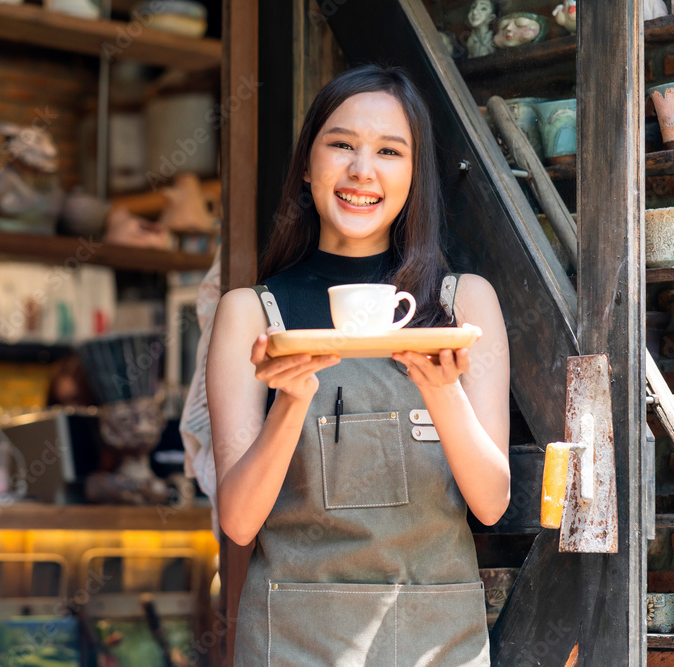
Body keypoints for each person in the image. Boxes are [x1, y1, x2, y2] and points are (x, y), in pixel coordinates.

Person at [206, 64, 510, 665]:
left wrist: (442, 390)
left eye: (389, 151)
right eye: (341, 144)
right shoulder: (252, 313)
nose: (361, 171)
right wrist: (291, 401)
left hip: (436, 635)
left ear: (413, 175)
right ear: (308, 163)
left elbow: (491, 502)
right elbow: (239, 523)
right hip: (293, 637)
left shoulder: (462, 304)